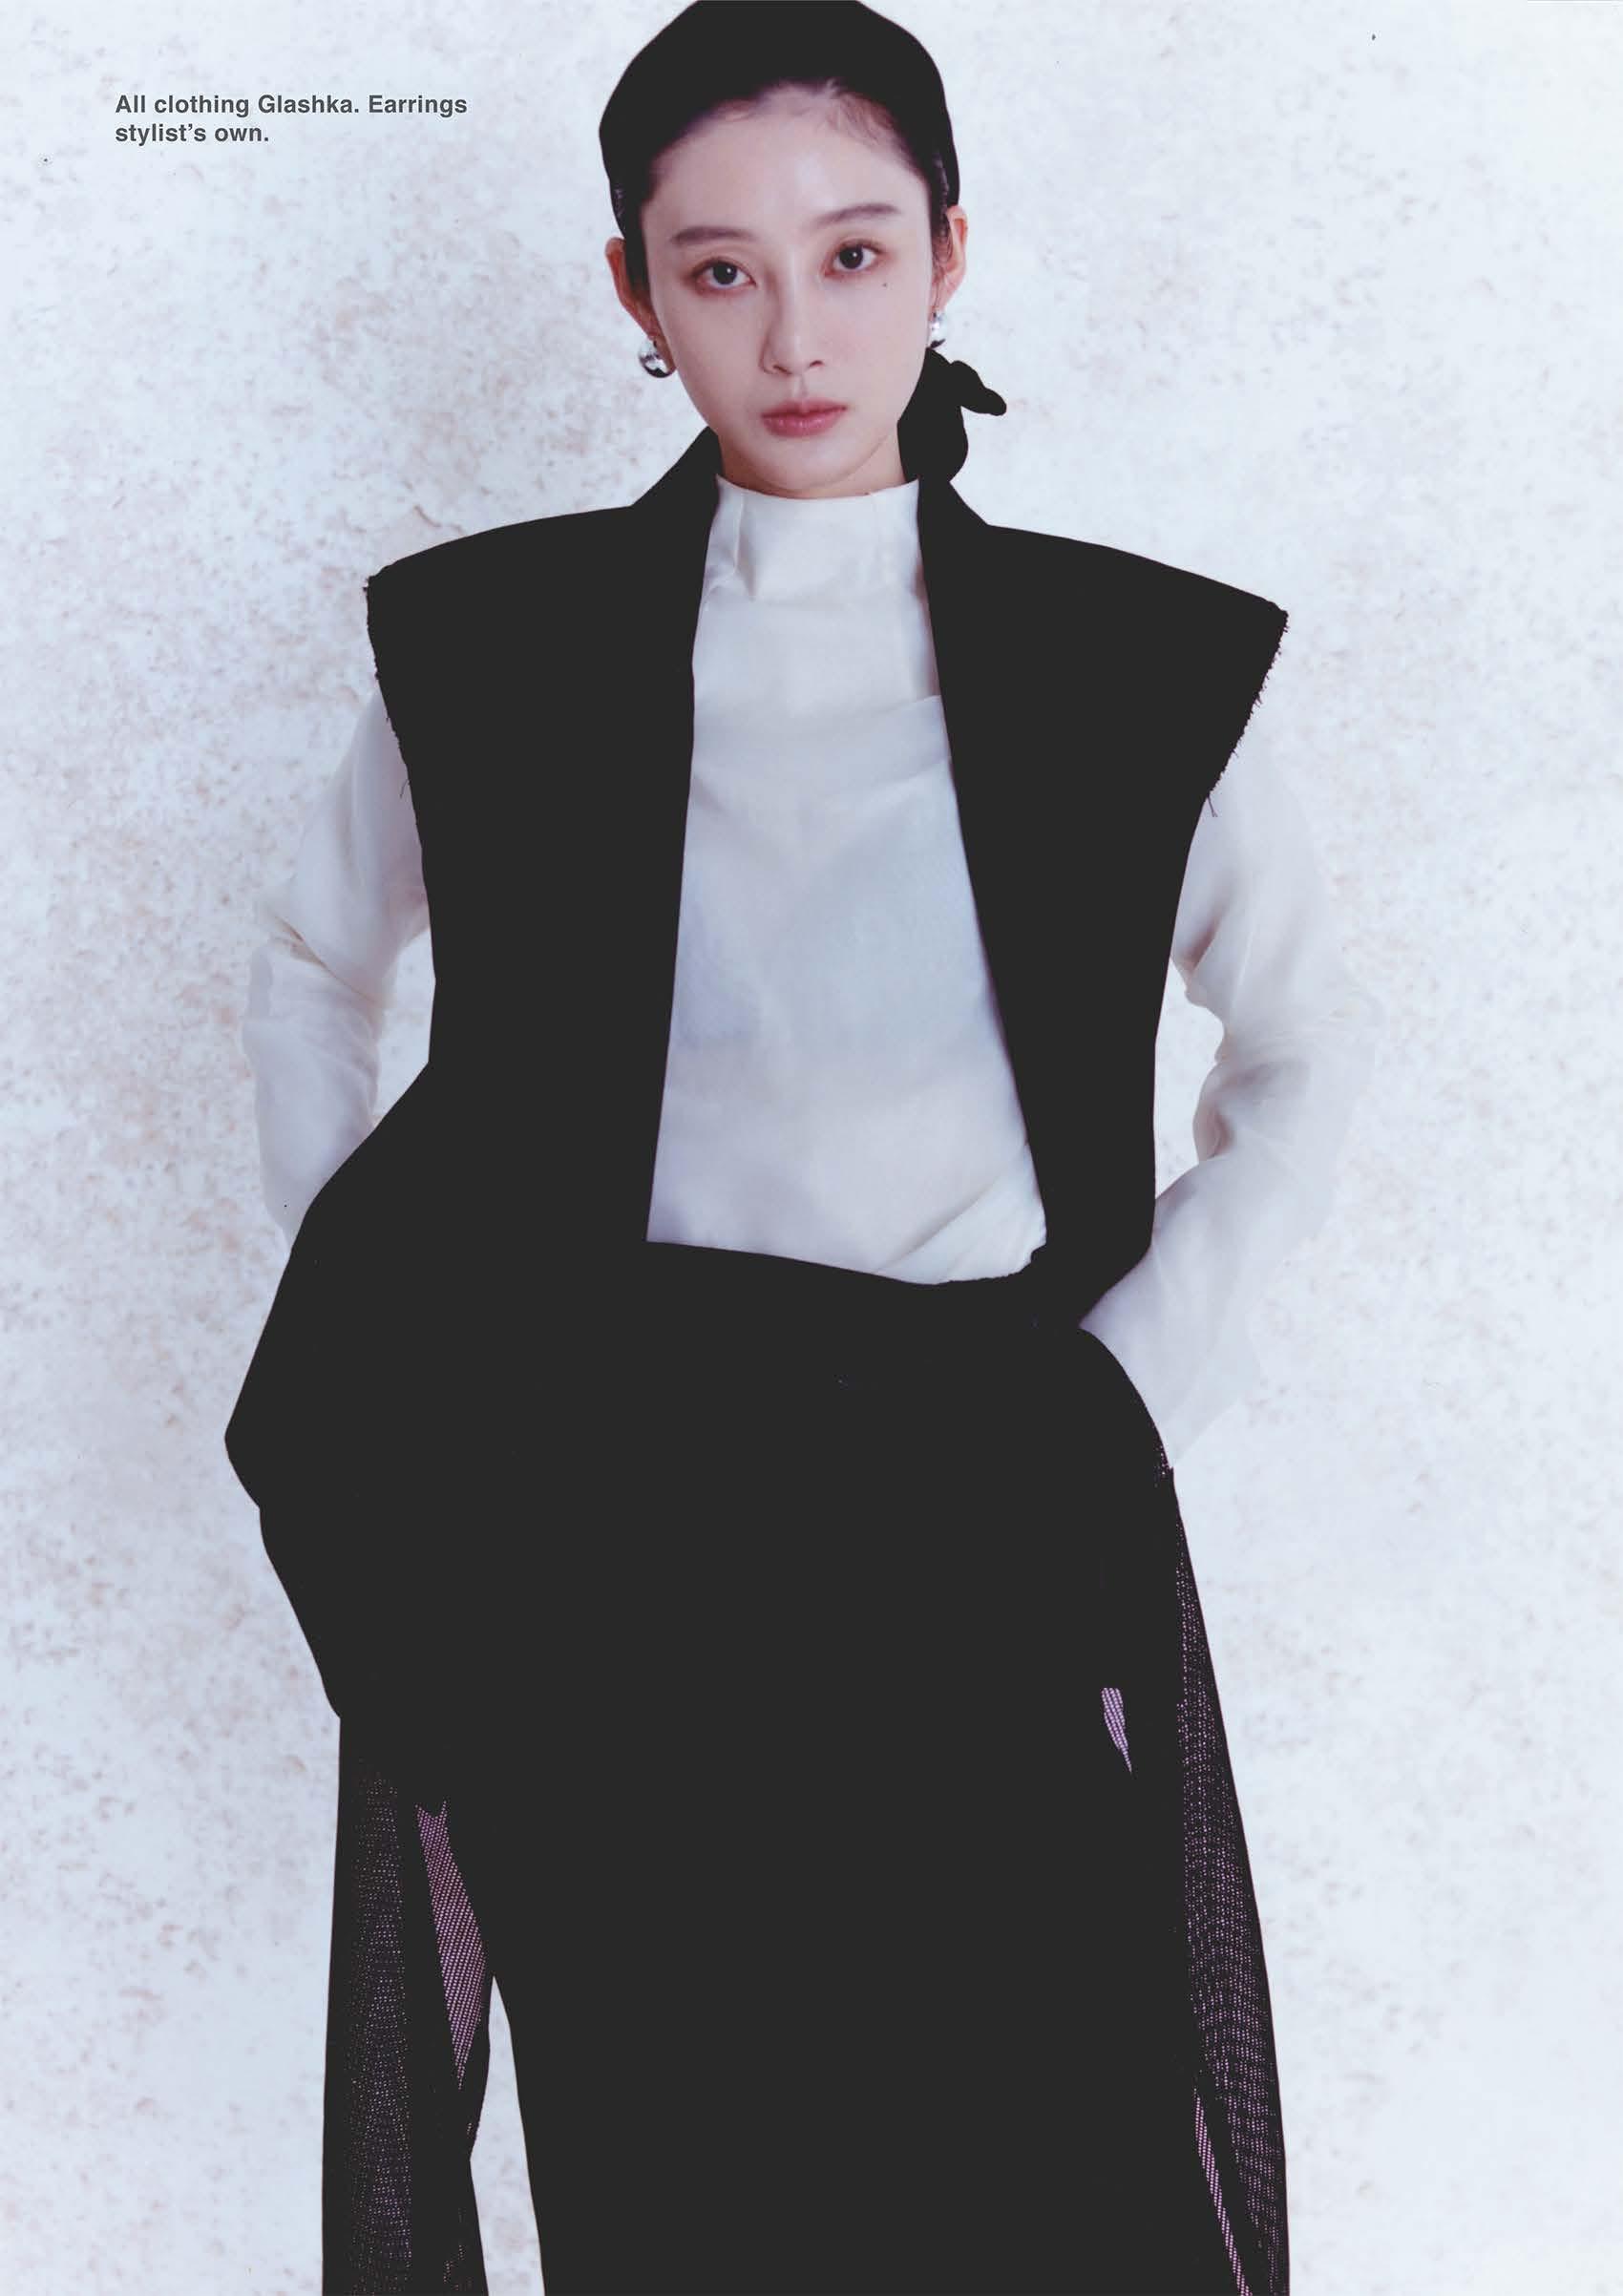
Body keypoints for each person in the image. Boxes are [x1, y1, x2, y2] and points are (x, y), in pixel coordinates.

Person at [226, 6, 1382, 2290]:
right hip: (602, 1529)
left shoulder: (1136, 669)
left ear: (946, 255)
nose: (793, 334)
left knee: (1070, 2183)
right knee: (683, 2192)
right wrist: (402, 1328)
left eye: (851, 255)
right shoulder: (496, 649)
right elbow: (306, 965)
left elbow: (1310, 1050)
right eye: (718, 269)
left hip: (971, 1512)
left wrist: (1124, 1383)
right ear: (634, 295)